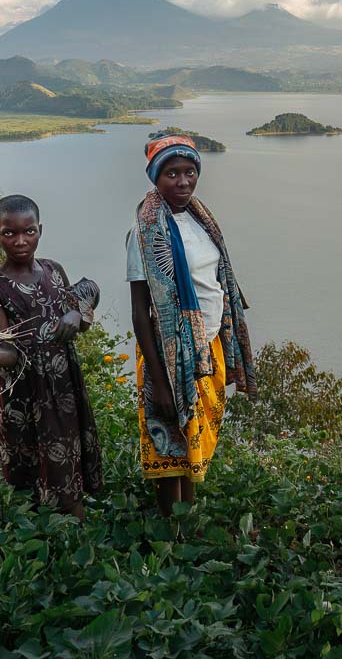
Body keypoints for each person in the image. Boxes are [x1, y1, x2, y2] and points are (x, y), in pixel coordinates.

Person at [126, 133, 256, 516]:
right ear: (155, 176)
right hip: (167, 356)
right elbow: (139, 312)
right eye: (171, 173)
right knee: (169, 443)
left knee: (193, 441)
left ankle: (188, 523)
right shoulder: (145, 233)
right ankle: (170, 534)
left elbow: (217, 282)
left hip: (207, 347)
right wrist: (161, 381)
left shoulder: (201, 220)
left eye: (189, 172)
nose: (182, 182)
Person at [0, 194, 102, 520]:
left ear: (40, 230)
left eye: (29, 232)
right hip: (22, 393)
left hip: (62, 386)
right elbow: (8, 351)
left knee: (67, 462)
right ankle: (37, 547)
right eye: (9, 233)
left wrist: (76, 316)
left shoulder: (54, 272)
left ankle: (77, 540)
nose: (20, 241)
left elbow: (85, 303)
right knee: (29, 469)